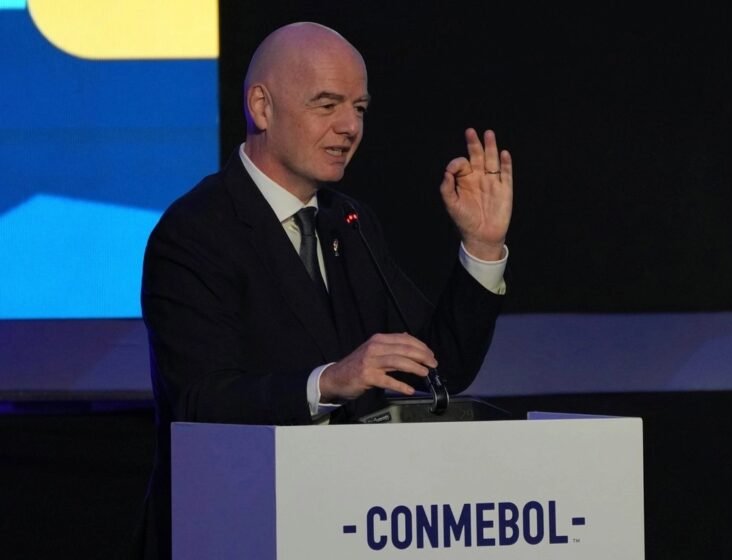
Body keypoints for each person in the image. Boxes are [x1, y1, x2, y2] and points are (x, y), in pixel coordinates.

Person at [134, 22, 512, 559]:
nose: (350, 126)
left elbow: (438, 369)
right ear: (262, 108)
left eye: (359, 108)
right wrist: (329, 382)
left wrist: (482, 246)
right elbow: (199, 401)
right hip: (236, 531)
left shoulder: (350, 222)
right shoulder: (195, 232)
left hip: (345, 527)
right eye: (327, 104)